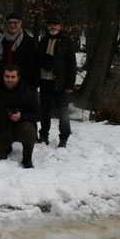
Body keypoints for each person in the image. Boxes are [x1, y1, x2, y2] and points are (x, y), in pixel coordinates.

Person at [0, 64, 41, 168]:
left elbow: (38, 114)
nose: (9, 80)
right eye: (7, 76)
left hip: (18, 127)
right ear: (3, 76)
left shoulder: (28, 91)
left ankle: (27, 159)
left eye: (13, 77)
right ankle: (6, 145)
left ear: (18, 77)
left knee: (29, 129)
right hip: (0, 128)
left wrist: (21, 116)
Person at [37, 14, 77, 147]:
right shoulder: (43, 40)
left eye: (56, 24)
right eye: (50, 24)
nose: (53, 26)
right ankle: (43, 135)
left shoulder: (66, 41)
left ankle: (64, 138)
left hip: (60, 82)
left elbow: (72, 64)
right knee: (44, 109)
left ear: (60, 26)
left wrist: (70, 84)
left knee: (62, 111)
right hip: (44, 80)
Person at [0, 13, 38, 88]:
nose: (12, 25)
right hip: (4, 81)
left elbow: (33, 64)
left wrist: (31, 84)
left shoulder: (28, 41)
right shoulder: (1, 40)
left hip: (23, 82)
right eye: (10, 23)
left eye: (15, 22)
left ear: (20, 25)